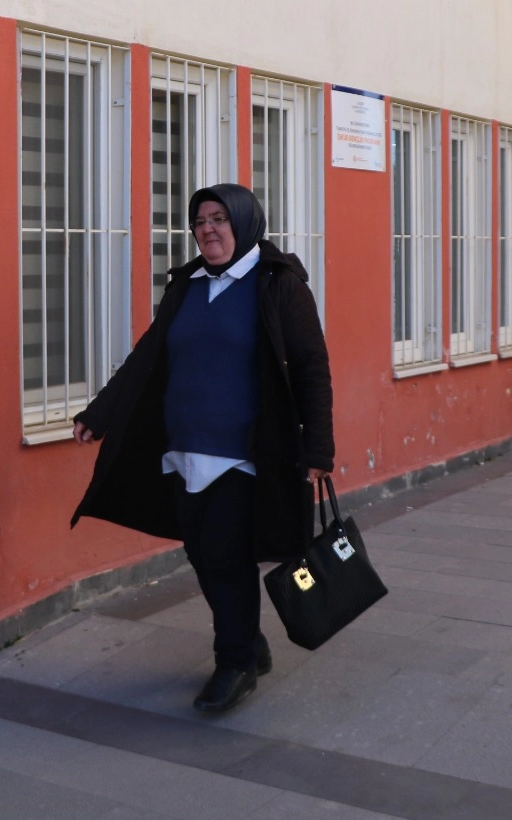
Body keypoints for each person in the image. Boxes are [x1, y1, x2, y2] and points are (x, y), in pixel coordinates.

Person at [71, 183, 334, 714]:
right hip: (183, 451)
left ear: (244, 221)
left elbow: (312, 368)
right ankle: (250, 642)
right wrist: (99, 414)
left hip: (243, 456)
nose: (208, 229)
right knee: (201, 553)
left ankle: (234, 663)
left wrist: (318, 452)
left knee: (226, 558)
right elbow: (147, 355)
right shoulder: (187, 285)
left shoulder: (278, 284)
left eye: (219, 218)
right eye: (200, 220)